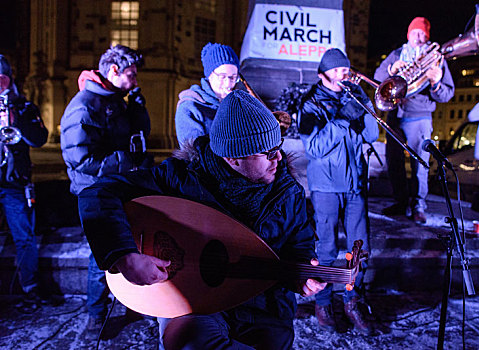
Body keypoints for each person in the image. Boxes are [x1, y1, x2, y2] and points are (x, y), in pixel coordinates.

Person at [78, 89, 325, 349]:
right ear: (233, 157)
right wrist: (124, 255)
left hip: (264, 308)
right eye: (267, 152)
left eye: (279, 148)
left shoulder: (288, 192)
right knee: (191, 342)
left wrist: (300, 275)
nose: (279, 158)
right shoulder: (182, 179)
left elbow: (299, 245)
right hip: (196, 304)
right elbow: (98, 194)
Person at [60, 44, 151, 336]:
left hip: (118, 186)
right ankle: (96, 316)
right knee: (99, 255)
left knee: (131, 245)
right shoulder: (84, 105)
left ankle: (134, 305)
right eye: (131, 74)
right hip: (95, 193)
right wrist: (127, 161)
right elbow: (80, 158)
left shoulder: (117, 99)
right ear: (113, 71)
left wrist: (137, 107)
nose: (135, 80)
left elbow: (139, 135)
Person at [298, 48, 379, 333]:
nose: (344, 73)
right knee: (327, 247)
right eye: (337, 70)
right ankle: (323, 302)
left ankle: (352, 299)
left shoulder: (353, 95)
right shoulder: (309, 104)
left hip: (355, 184)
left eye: (346, 68)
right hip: (326, 186)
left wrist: (366, 105)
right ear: (323, 74)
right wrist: (343, 119)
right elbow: (315, 147)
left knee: (360, 247)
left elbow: (372, 135)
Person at [374, 17, 454, 224]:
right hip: (395, 114)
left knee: (420, 162)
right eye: (415, 33)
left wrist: (436, 82)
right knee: (394, 161)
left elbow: (446, 95)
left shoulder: (436, 58)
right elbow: (377, 77)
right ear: (408, 34)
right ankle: (401, 202)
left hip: (420, 115)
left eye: (423, 34)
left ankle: (419, 205)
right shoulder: (397, 54)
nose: (419, 37)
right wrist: (391, 70)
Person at [0, 55, 48, 313]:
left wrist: (15, 119)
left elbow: (39, 139)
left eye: (2, 79)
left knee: (25, 238)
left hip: (14, 184)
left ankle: (30, 289)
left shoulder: (25, 107)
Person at [175, 42, 239, 147]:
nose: (228, 83)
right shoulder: (190, 108)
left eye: (233, 77)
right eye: (222, 76)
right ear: (210, 75)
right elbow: (196, 154)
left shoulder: (238, 105)